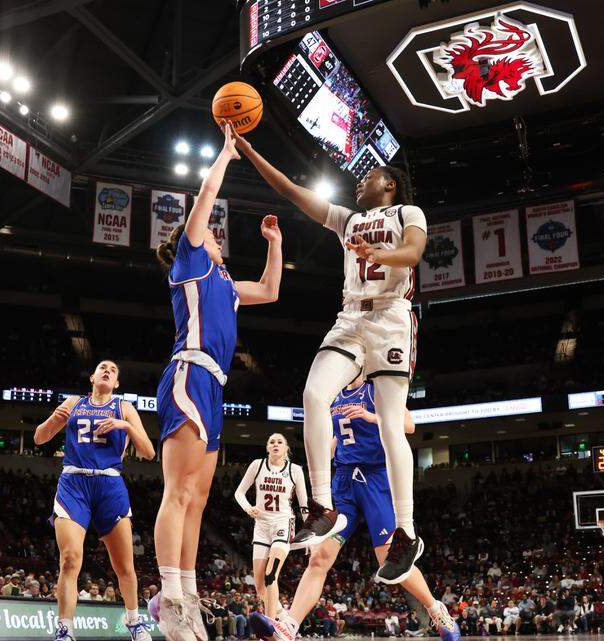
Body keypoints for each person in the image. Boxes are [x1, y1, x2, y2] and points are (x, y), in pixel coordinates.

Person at [234, 131, 427, 584]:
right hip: (350, 317)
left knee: (389, 422)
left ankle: (406, 532)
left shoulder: (406, 212)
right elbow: (288, 189)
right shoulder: (347, 219)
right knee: (314, 393)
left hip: (391, 318)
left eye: (370, 176)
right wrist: (245, 148)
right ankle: (321, 505)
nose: (361, 181)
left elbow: (415, 252)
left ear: (392, 183)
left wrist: (384, 251)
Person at [149, 122, 283, 641]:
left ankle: (188, 594)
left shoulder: (225, 285)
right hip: (188, 372)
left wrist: (274, 242)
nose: (216, 238)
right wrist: (226, 155)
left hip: (215, 386)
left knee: (200, 499)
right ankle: (171, 599)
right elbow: (204, 198)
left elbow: (270, 291)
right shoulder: (191, 262)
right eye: (210, 233)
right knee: (178, 493)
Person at [247, 380, 457, 641]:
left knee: (389, 559)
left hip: (375, 478)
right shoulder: (332, 394)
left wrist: (371, 416)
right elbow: (337, 437)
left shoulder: (378, 388)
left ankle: (436, 609)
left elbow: (409, 426)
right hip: (344, 482)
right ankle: (289, 625)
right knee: (319, 557)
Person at [35, 360, 156, 641]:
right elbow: (40, 438)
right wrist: (55, 418)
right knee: (69, 560)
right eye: (102, 368)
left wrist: (125, 425)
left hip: (109, 484)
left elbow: (149, 452)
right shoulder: (74, 402)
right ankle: (65, 628)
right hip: (74, 483)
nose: (107, 371)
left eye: (113, 371)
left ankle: (134, 620)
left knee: (124, 565)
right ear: (92, 377)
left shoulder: (124, 407)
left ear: (116, 384)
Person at [233, 433, 306, 618]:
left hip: (283, 523)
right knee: (259, 586)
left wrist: (311, 538)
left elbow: (304, 506)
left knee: (270, 575)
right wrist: (248, 508)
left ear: (286, 448)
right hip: (261, 527)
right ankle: (283, 617)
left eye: (280, 441)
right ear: (267, 447)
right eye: (271, 441)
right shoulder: (257, 465)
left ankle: (271, 625)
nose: (275, 444)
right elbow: (239, 493)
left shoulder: (295, 470)